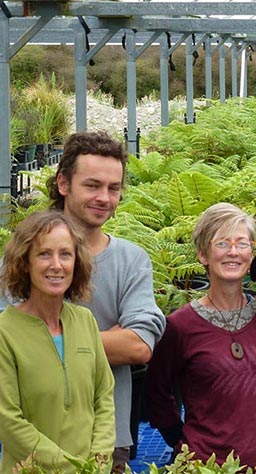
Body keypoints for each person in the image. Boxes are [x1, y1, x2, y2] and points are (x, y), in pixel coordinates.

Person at [0, 131, 166, 471]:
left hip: (106, 443)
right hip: (30, 445)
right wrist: (98, 342)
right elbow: (9, 341)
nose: (104, 197)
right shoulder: (17, 260)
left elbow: (138, 346)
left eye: (114, 188)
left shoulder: (131, 261)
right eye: (92, 185)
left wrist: (52, 346)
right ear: (63, 183)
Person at [146, 203, 256, 467]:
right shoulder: (180, 326)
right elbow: (156, 393)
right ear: (203, 254)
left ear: (252, 255)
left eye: (242, 244)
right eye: (222, 243)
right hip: (209, 465)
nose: (233, 252)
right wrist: (182, 442)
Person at [0, 211, 115, 472]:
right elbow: (8, 421)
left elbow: (104, 398)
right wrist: (73, 468)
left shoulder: (85, 320)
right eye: (44, 254)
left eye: (65, 254)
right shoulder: (4, 331)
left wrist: (99, 461)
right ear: (25, 262)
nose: (56, 265)